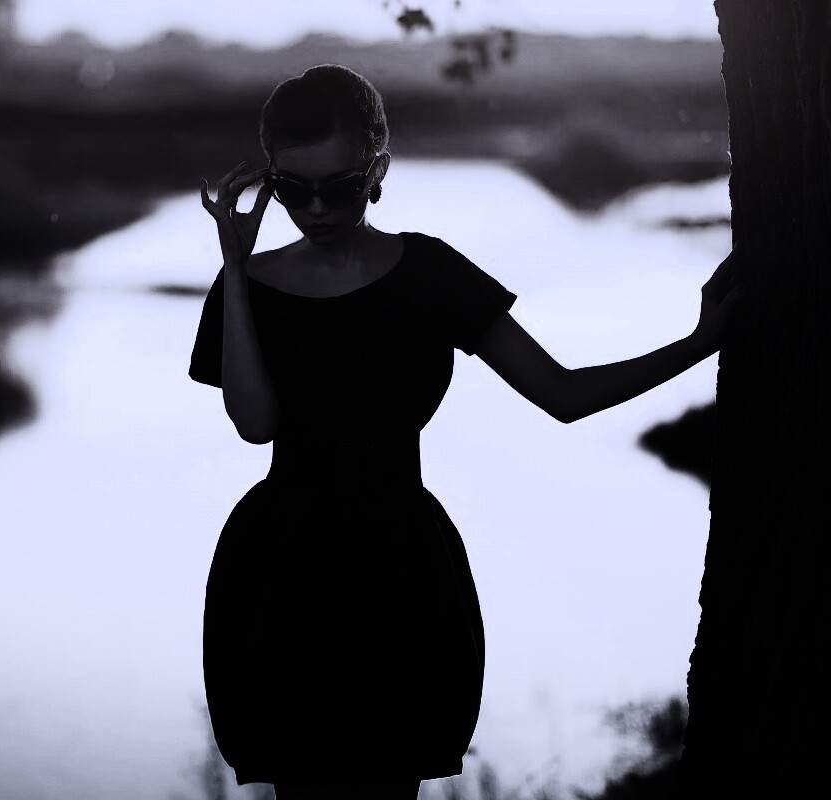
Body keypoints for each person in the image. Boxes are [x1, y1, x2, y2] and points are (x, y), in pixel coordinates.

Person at [187, 64, 742, 800]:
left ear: (377, 170)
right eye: (293, 189)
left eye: (339, 187)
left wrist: (701, 344)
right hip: (283, 571)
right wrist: (233, 266)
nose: (315, 209)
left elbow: (563, 394)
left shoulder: (430, 272)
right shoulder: (248, 284)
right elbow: (255, 426)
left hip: (400, 569)